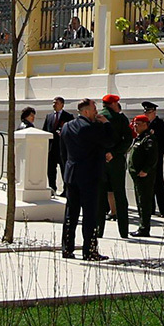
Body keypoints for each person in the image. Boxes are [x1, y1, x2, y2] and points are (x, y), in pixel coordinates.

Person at [60, 99, 110, 260]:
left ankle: (67, 248)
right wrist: (107, 124)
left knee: (71, 213)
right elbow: (109, 141)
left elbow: (63, 152)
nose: (97, 112)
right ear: (86, 111)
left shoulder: (67, 126)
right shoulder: (90, 128)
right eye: (94, 109)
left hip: (71, 174)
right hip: (89, 175)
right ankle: (90, 251)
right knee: (90, 214)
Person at [98, 94, 133, 240]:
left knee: (100, 197)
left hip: (100, 161)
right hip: (116, 161)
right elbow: (128, 139)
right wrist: (114, 152)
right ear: (113, 104)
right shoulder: (120, 118)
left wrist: (104, 153)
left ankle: (98, 230)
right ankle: (123, 231)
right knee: (120, 195)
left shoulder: (97, 117)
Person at [140, 101, 164, 217]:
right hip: (145, 158)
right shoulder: (143, 125)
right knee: (147, 184)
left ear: (154, 112)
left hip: (156, 158)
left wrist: (159, 153)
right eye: (145, 112)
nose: (146, 114)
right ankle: (150, 209)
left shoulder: (161, 124)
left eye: (148, 112)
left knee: (158, 183)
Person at [128, 114, 159, 237]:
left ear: (145, 125)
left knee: (144, 202)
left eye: (138, 124)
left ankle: (144, 228)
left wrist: (146, 170)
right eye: (134, 124)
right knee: (140, 201)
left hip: (144, 176)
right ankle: (142, 226)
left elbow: (152, 157)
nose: (135, 126)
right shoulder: (139, 138)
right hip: (137, 176)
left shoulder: (148, 139)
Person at [43, 96, 70, 195]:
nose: (54, 105)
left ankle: (66, 190)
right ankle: (52, 188)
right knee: (51, 170)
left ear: (62, 105)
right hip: (51, 149)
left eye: (56, 103)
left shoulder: (68, 116)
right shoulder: (49, 116)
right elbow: (45, 130)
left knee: (64, 170)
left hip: (62, 149)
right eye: (53, 103)